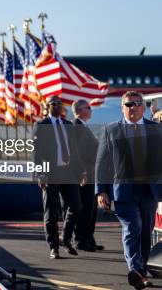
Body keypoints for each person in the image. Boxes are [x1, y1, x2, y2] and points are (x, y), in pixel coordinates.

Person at [96, 91, 162, 289]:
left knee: (145, 232)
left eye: (136, 104)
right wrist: (101, 191)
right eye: (128, 104)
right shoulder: (111, 130)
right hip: (123, 191)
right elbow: (102, 164)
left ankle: (140, 272)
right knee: (132, 228)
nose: (132, 107)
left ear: (143, 107)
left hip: (149, 191)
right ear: (122, 107)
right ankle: (135, 270)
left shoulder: (156, 130)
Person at [32, 95, 84, 259]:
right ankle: (54, 247)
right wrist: (40, 173)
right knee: (51, 212)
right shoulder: (41, 125)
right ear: (47, 106)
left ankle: (65, 238)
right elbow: (36, 152)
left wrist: (81, 171)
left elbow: (74, 151)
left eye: (60, 103)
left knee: (76, 206)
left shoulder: (68, 125)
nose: (57, 105)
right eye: (53, 103)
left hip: (68, 172)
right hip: (50, 173)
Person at [71, 99, 103, 252]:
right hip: (85, 174)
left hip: (92, 172)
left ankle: (89, 239)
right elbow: (78, 153)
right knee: (85, 208)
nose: (91, 110)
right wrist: (82, 171)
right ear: (79, 110)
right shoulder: (76, 127)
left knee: (92, 208)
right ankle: (81, 240)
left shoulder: (83, 126)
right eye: (88, 108)